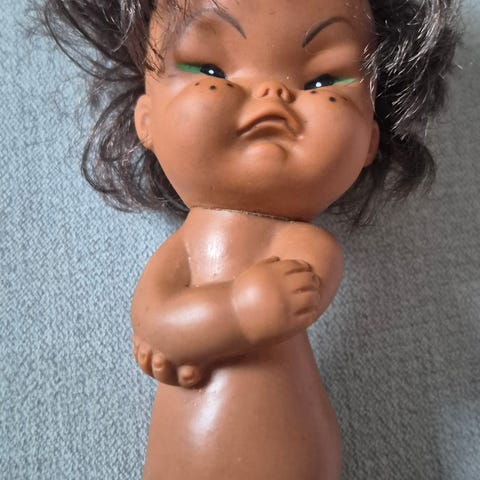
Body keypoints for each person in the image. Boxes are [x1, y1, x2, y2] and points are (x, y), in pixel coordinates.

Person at [40, 0, 460, 478]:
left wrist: (197, 331)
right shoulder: (189, 244)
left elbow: (191, 329)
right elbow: (152, 322)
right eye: (211, 70)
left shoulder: (312, 250)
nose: (271, 93)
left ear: (368, 140)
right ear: (147, 120)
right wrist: (235, 312)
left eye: (322, 81)